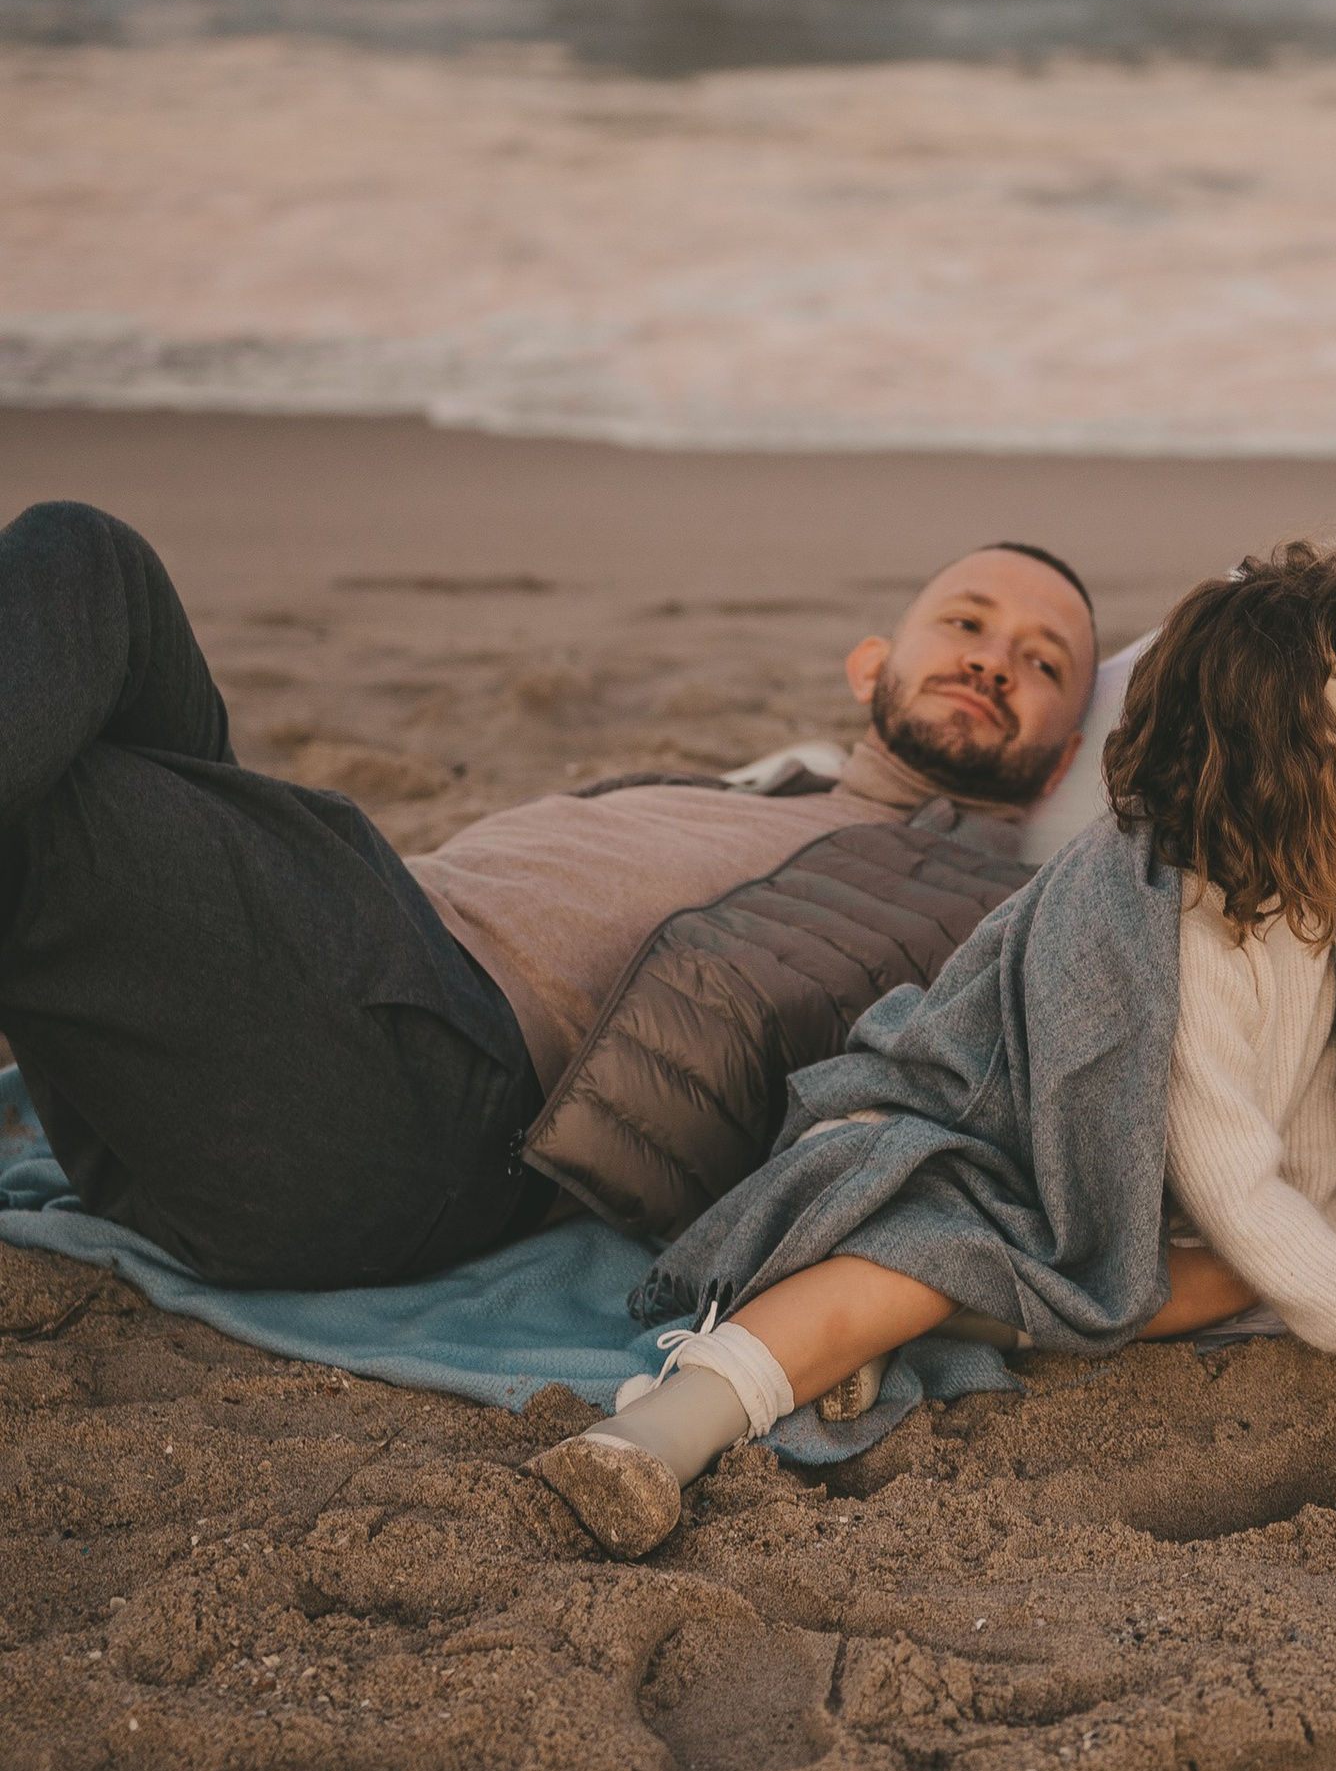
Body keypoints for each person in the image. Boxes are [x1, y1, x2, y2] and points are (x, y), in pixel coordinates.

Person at [528, 547, 1336, 1561]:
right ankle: (669, 1423)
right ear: (1302, 787)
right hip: (981, 1135)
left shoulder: (1325, 901)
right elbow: (1231, 1167)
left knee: (1241, 1272)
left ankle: (922, 1327)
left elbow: (1316, 1130)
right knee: (920, 1255)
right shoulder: (1179, 936)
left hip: (1129, 1199)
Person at [0, 508, 1095, 1289]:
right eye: (967, 621)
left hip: (420, 1088)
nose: (996, 659)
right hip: (298, 1008)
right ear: (871, 665)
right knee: (96, 563)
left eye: (1043, 664)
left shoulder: (984, 900)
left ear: (1058, 769)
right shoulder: (745, 791)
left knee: (65, 809)